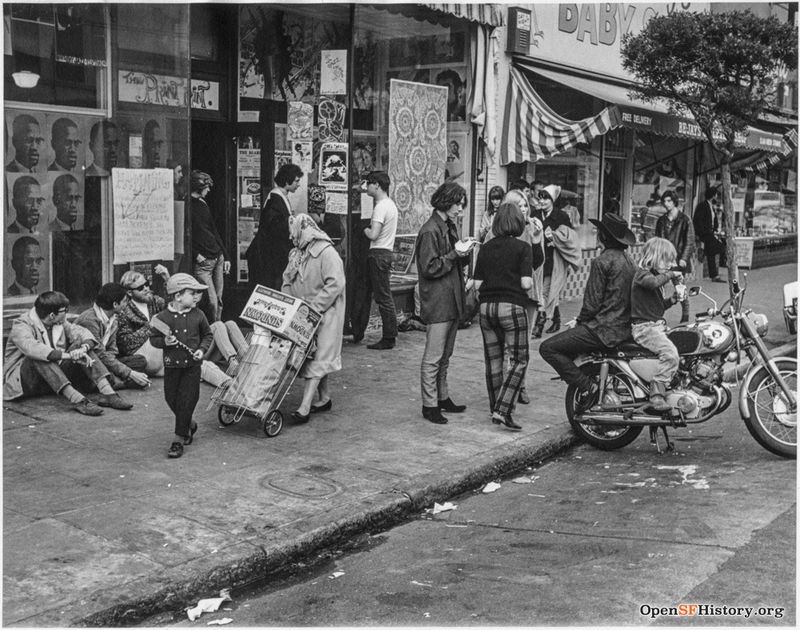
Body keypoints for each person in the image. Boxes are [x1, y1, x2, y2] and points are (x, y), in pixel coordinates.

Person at [539, 213, 637, 409]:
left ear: (603, 237)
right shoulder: (629, 261)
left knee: (548, 348)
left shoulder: (602, 261)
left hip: (602, 329)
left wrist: (578, 321)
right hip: (622, 328)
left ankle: (587, 386)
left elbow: (591, 305)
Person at [3, 290, 133, 415]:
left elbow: (81, 332)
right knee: (38, 356)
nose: (66, 313)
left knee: (80, 346)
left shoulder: (59, 321)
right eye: (65, 310)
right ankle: (78, 400)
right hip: (24, 383)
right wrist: (69, 356)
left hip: (51, 380)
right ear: (52, 315)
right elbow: (33, 348)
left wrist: (82, 349)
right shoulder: (22, 324)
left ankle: (109, 394)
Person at [415, 181, 474, 424]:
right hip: (439, 300)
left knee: (445, 355)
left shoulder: (448, 226)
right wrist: (455, 254)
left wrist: (464, 251)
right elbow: (429, 267)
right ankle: (429, 404)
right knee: (434, 356)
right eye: (458, 204)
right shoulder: (430, 230)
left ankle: (442, 397)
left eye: (462, 204)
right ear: (445, 202)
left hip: (451, 298)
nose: (461, 209)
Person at [116, 268, 232, 388]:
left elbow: (174, 300)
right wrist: (150, 326)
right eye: (140, 288)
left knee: (218, 329)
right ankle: (228, 381)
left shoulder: (154, 301)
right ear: (130, 293)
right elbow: (125, 345)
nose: (146, 289)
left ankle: (234, 367)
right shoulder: (124, 311)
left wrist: (167, 278)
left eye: (146, 284)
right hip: (146, 354)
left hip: (167, 348)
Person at [473, 203, 533, 431]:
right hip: (511, 307)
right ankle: (503, 409)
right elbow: (526, 284)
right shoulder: (522, 247)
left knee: (493, 360)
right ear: (518, 223)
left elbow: (477, 284)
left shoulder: (486, 248)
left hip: (487, 308)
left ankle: (495, 408)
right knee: (519, 360)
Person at [282, 214, 346, 423]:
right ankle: (324, 397)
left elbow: (336, 283)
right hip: (304, 315)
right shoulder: (298, 253)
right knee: (315, 358)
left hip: (326, 314)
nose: (292, 238)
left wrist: (314, 307)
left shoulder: (327, 253)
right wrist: (290, 303)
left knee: (318, 359)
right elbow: (287, 278)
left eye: (294, 234)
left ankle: (304, 407)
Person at [149, 273, 214, 459]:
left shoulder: (198, 315)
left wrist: (202, 349)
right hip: (172, 366)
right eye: (192, 293)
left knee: (187, 400)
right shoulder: (162, 317)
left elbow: (208, 335)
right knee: (171, 399)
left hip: (192, 367)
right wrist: (164, 342)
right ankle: (189, 424)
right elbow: (153, 339)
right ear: (178, 296)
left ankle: (178, 439)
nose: (196, 297)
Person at [631, 238, 684, 411]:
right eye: (667, 260)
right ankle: (656, 395)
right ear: (654, 257)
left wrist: (672, 300)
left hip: (655, 325)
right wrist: (671, 275)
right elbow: (652, 283)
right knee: (670, 354)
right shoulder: (642, 274)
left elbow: (657, 306)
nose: (671, 264)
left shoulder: (653, 276)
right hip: (644, 328)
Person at [75, 283, 151, 390]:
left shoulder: (114, 318)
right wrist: (129, 373)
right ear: (115, 304)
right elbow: (98, 353)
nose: (126, 304)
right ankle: (116, 382)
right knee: (101, 370)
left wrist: (119, 368)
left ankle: (112, 380)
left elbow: (112, 350)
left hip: (105, 360)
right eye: (125, 301)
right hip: (87, 363)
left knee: (140, 361)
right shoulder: (89, 320)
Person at [357, 170, 398, 349]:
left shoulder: (381, 206)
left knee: (383, 297)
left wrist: (362, 228)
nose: (367, 187)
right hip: (385, 253)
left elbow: (373, 234)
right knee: (383, 296)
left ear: (377, 185)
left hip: (378, 253)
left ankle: (389, 337)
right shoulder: (391, 205)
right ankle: (388, 335)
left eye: (369, 183)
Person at [245, 163, 303, 289]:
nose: (298, 184)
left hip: (270, 254)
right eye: (297, 181)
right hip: (268, 255)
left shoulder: (279, 196)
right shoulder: (275, 199)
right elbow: (275, 226)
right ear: (287, 181)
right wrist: (293, 222)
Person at [533, 185, 580, 338]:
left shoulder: (562, 217)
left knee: (545, 293)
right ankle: (556, 320)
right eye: (540, 197)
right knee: (545, 292)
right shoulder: (534, 215)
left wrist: (555, 240)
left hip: (555, 262)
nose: (542, 201)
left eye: (546, 198)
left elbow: (569, 239)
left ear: (553, 200)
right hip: (536, 260)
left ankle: (539, 326)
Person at [190, 170, 229, 322]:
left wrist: (226, 255)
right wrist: (195, 254)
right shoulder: (187, 205)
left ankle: (217, 330)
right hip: (203, 260)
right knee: (210, 302)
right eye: (207, 187)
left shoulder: (202, 203)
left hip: (216, 255)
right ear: (199, 187)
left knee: (218, 300)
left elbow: (213, 230)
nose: (209, 190)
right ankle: (211, 333)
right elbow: (184, 235)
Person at [655, 190, 695, 323]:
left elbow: (689, 241)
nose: (666, 204)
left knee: (680, 287)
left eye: (669, 201)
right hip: (664, 260)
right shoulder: (662, 220)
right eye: (664, 201)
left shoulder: (685, 219)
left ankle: (685, 314)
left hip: (678, 260)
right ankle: (657, 313)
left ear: (674, 202)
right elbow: (658, 240)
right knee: (658, 287)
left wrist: (684, 258)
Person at [693, 186, 726, 283]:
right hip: (705, 233)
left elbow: (713, 220)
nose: (717, 196)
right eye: (716, 194)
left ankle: (714, 275)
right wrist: (703, 231)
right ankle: (707, 253)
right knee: (721, 247)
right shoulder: (702, 206)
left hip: (710, 233)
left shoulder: (711, 206)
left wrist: (715, 229)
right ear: (713, 195)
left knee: (711, 254)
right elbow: (698, 220)